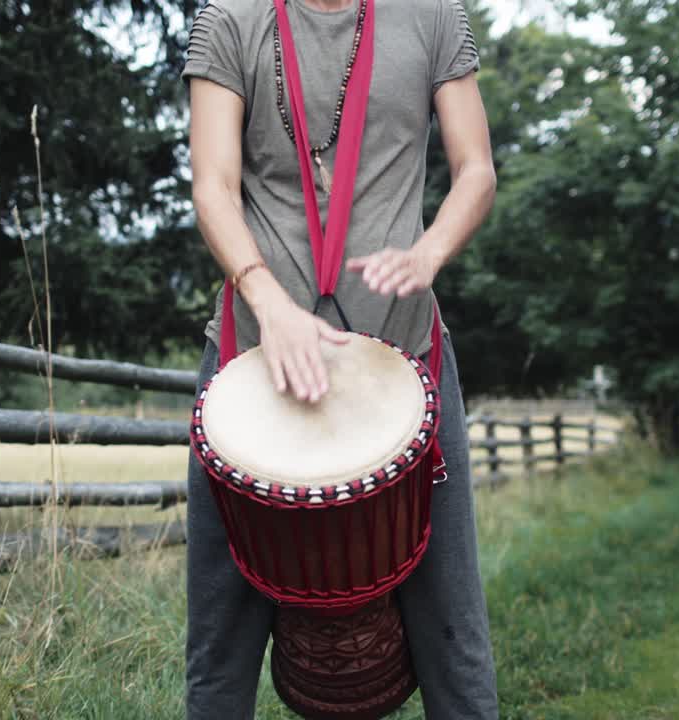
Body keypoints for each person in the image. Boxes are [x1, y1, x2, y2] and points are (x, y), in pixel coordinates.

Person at [181, 0, 499, 717]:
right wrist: (268, 301)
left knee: (455, 636)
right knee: (220, 647)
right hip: (252, 365)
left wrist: (429, 251)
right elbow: (213, 185)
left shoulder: (433, 15)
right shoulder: (228, 19)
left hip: (406, 359)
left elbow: (476, 169)